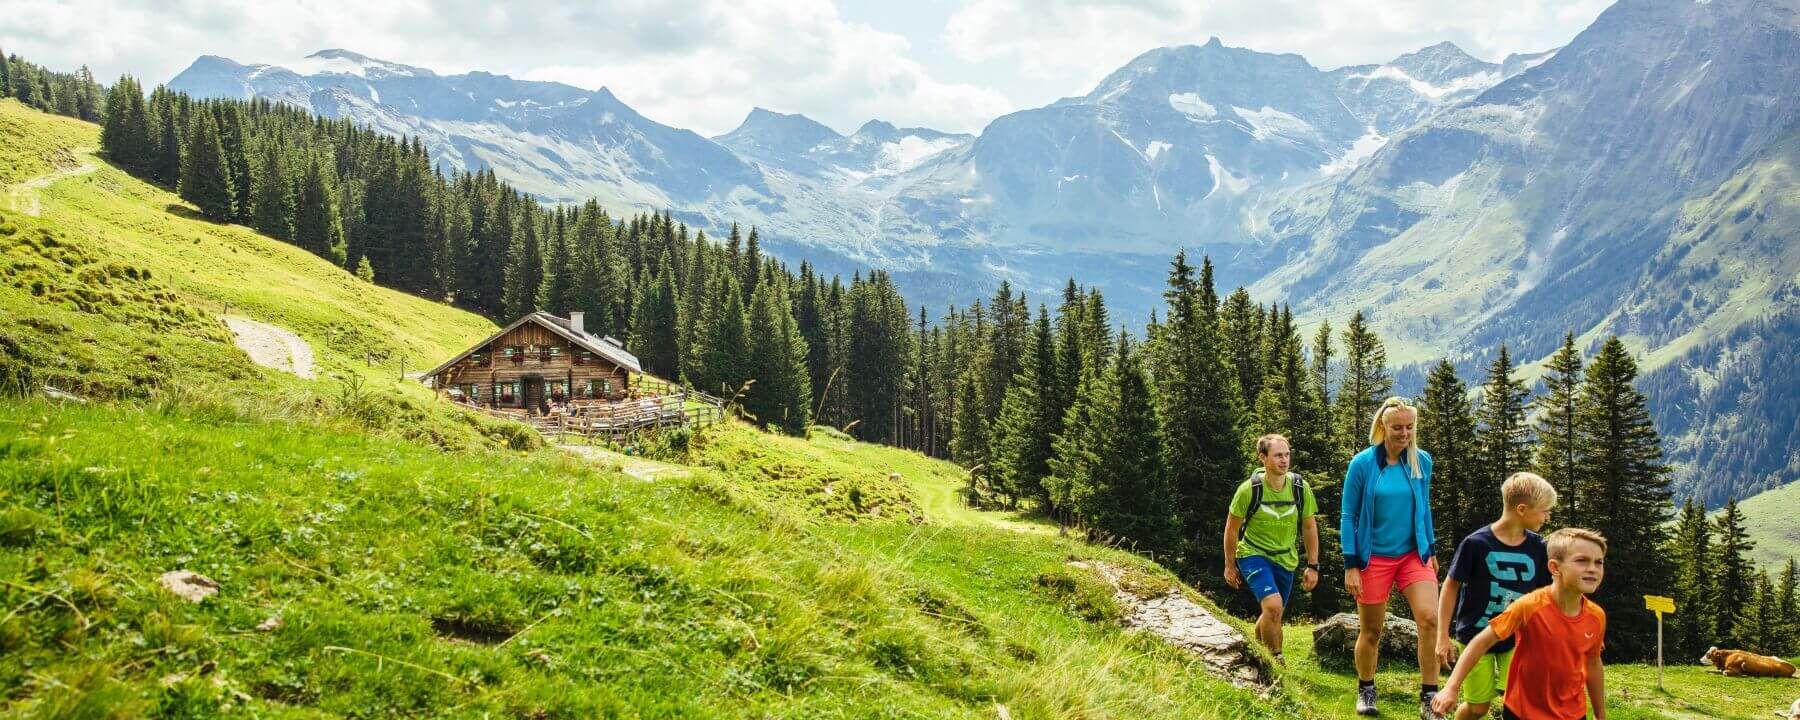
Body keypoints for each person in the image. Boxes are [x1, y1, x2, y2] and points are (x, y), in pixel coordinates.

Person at [1433, 528, 1609, 720]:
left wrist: (1600, 714)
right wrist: (1451, 687)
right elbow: (1481, 642)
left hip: (1573, 713)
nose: (1592, 568)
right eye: (1582, 560)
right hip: (1522, 712)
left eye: (1598, 562)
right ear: (1555, 568)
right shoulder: (1528, 606)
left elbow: (1592, 662)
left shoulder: (1596, 616)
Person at [1341, 396, 1442, 719]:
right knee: (1371, 631)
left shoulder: (1421, 461)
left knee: (1429, 619)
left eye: (1410, 427)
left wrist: (1432, 550)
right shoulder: (1363, 464)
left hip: (1414, 554)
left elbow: (1423, 507)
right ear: (1382, 427)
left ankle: (1429, 696)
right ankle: (1366, 688)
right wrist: (1351, 565)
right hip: (1374, 559)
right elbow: (1347, 515)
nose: (1404, 433)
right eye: (1397, 427)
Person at [1434, 472, 1556, 720]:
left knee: (1520, 700)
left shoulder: (1539, 547)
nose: (1548, 517)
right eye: (1544, 510)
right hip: (1475, 638)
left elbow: (1545, 595)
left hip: (1518, 638)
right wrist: (1442, 636)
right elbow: (1450, 586)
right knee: (1478, 707)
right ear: (1522, 509)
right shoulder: (1476, 543)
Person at [1223, 434, 1320, 663]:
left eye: (1287, 455)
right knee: (1274, 606)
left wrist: (1313, 565)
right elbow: (1231, 529)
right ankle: (1277, 660)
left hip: (1286, 559)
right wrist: (1229, 565)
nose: (1284, 460)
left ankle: (1253, 652)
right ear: (1262, 458)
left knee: (1272, 614)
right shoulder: (1249, 490)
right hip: (1253, 554)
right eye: (1278, 455)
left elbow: (1308, 526)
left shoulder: (1299, 488)